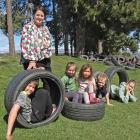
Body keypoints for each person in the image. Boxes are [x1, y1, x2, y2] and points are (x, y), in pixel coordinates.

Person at [20, 5, 52, 71]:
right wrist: (32, 60)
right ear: (34, 15)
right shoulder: (28, 27)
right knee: (32, 80)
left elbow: (48, 43)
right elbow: (26, 44)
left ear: (44, 17)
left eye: (42, 16)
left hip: (43, 58)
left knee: (50, 79)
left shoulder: (45, 28)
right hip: (30, 59)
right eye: (37, 15)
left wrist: (45, 56)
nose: (39, 17)